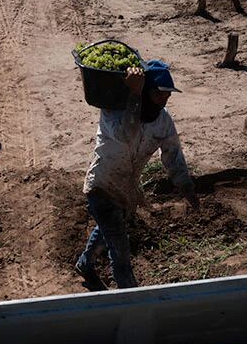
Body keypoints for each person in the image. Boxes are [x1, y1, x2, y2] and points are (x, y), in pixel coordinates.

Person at [76, 59, 199, 290]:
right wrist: (134, 95)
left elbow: (173, 154)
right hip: (102, 186)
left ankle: (85, 263)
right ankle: (131, 296)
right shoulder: (113, 112)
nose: (164, 100)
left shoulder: (162, 120)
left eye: (167, 96)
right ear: (143, 91)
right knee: (120, 252)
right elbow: (127, 134)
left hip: (126, 190)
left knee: (109, 230)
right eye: (159, 94)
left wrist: (186, 187)